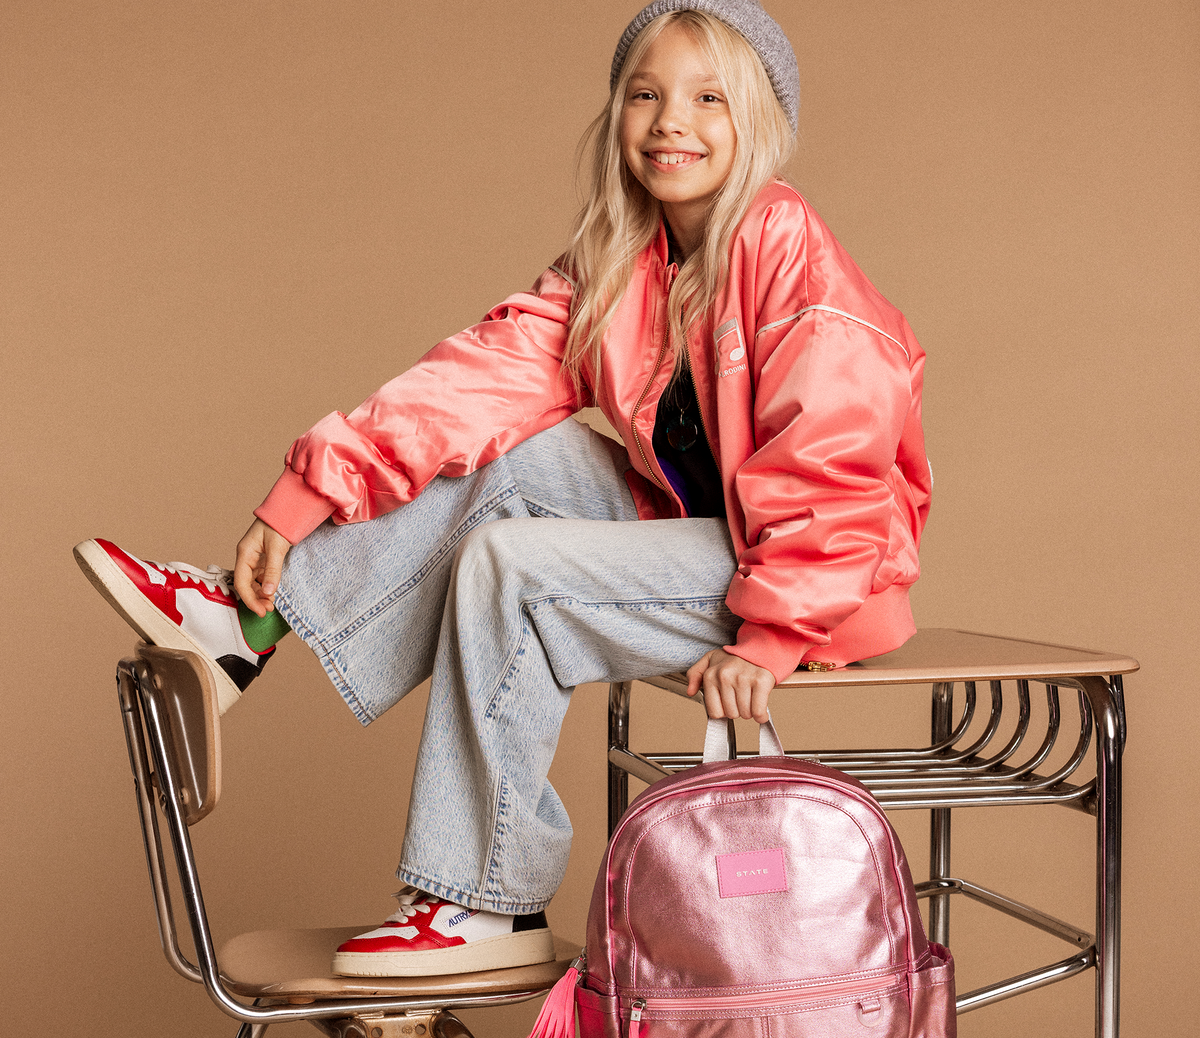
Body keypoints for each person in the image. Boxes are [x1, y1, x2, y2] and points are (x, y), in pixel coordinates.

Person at [74, 0, 931, 979]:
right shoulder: (621, 260)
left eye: (707, 99)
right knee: (517, 464)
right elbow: (475, 382)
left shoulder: (785, 244)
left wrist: (773, 638)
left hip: (812, 578)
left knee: (512, 567)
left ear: (759, 122)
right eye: (644, 94)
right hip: (692, 537)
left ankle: (485, 898)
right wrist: (302, 498)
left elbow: (836, 452)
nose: (669, 122)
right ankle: (245, 627)